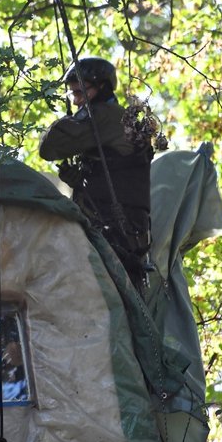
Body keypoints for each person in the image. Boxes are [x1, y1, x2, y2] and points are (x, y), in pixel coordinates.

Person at [39, 57, 156, 291]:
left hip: (113, 228)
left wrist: (69, 121)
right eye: (73, 94)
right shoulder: (121, 118)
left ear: (102, 87)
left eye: (81, 93)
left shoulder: (103, 115)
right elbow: (118, 171)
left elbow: (50, 147)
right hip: (127, 230)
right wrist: (82, 179)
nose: (76, 101)